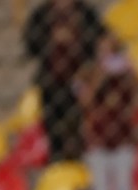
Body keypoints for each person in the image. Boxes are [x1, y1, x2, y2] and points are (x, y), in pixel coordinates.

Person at [23, 0, 103, 161]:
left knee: (82, 126)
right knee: (54, 127)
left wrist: (75, 41)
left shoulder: (86, 13)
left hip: (81, 80)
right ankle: (57, 161)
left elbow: (98, 44)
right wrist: (51, 40)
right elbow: (31, 46)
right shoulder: (41, 15)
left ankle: (82, 161)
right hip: (52, 83)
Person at [77, 31, 138, 190]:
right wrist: (100, 75)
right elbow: (84, 101)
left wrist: (132, 71)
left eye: (112, 50)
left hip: (122, 138)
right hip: (98, 139)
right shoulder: (88, 72)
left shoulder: (125, 75)